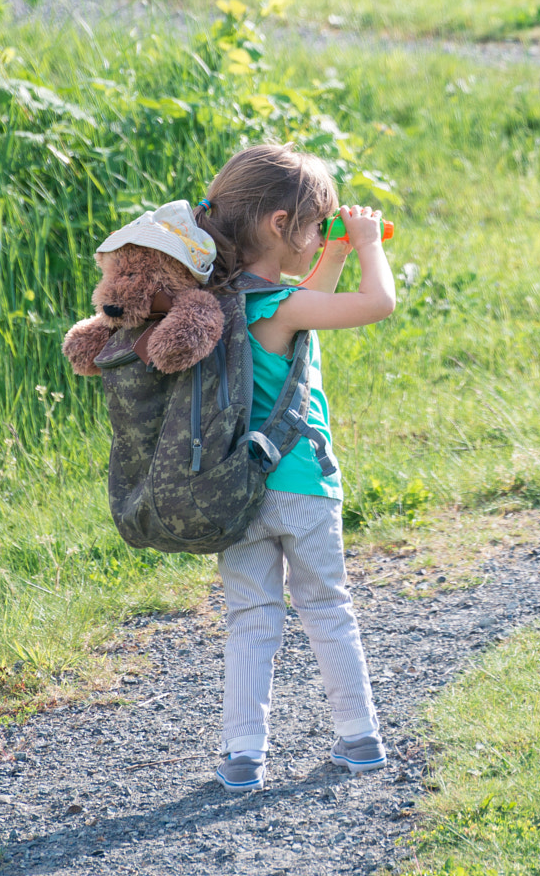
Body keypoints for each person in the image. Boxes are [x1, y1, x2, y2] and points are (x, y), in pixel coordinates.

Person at [191, 143, 397, 791]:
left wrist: (330, 250)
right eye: (315, 227)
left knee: (250, 618)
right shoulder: (279, 306)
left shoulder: (225, 303)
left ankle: (243, 753)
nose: (318, 239)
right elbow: (378, 302)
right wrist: (365, 242)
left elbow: (306, 304)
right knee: (326, 608)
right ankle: (359, 737)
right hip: (302, 486)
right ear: (281, 225)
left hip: (237, 491)